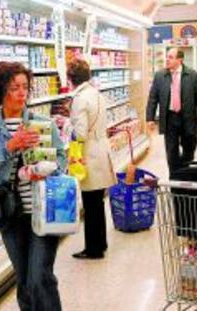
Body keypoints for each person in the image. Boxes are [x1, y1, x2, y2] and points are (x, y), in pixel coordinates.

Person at [0, 62, 65, 311]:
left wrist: (48, 171)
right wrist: (9, 146)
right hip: (11, 215)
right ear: (0, 91)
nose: (22, 93)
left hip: (43, 209)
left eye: (25, 87)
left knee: (40, 278)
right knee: (24, 279)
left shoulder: (42, 123)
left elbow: (61, 158)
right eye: (15, 88)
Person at [67, 59, 116, 260]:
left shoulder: (80, 99)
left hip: (89, 155)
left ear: (71, 79)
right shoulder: (96, 93)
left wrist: (65, 126)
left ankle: (93, 249)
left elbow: (79, 134)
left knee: (90, 203)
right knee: (97, 202)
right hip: (101, 150)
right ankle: (100, 243)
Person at [146, 47, 197, 174]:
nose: (167, 60)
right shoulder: (160, 76)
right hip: (169, 118)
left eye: (170, 57)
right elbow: (153, 98)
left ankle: (185, 172)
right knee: (171, 152)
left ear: (180, 59)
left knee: (189, 149)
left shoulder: (192, 75)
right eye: (167, 57)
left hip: (188, 118)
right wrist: (150, 118)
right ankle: (175, 180)